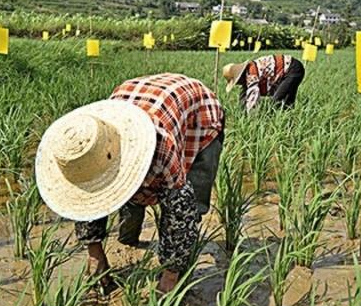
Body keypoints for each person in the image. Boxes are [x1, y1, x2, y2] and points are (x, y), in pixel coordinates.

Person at [35, 74, 224, 294]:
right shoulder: (88, 140)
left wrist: (170, 275)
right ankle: (129, 238)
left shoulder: (161, 147)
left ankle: (180, 270)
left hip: (200, 114)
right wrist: (94, 252)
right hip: (144, 97)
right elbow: (90, 197)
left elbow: (181, 212)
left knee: (190, 202)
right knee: (128, 196)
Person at [223, 54, 305, 112]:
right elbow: (244, 96)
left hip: (292, 69)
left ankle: (286, 120)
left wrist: (252, 120)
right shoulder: (249, 72)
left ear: (240, 77)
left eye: (237, 81)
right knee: (286, 102)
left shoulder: (251, 74)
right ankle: (289, 120)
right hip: (289, 69)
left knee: (277, 101)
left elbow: (253, 98)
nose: (238, 84)